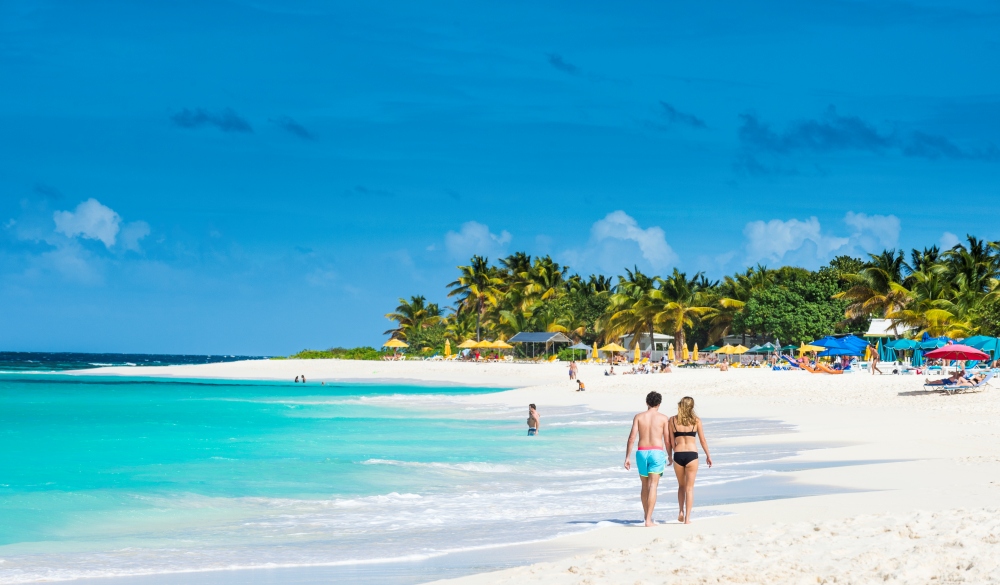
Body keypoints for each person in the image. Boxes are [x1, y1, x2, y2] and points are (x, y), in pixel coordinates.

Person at [623, 391, 670, 527]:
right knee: (653, 485)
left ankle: (646, 516)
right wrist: (670, 455)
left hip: (641, 452)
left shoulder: (639, 417)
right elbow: (666, 439)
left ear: (646, 403)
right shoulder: (663, 418)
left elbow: (632, 437)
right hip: (656, 452)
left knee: (644, 485)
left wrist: (627, 457)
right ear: (659, 404)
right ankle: (648, 520)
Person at [668, 396, 712, 524]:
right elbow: (702, 440)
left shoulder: (672, 420)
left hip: (678, 454)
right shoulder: (696, 420)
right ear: (692, 406)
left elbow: (671, 441)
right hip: (692, 455)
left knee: (681, 486)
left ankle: (681, 511)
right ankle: (687, 519)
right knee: (690, 488)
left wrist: (671, 455)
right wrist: (708, 455)